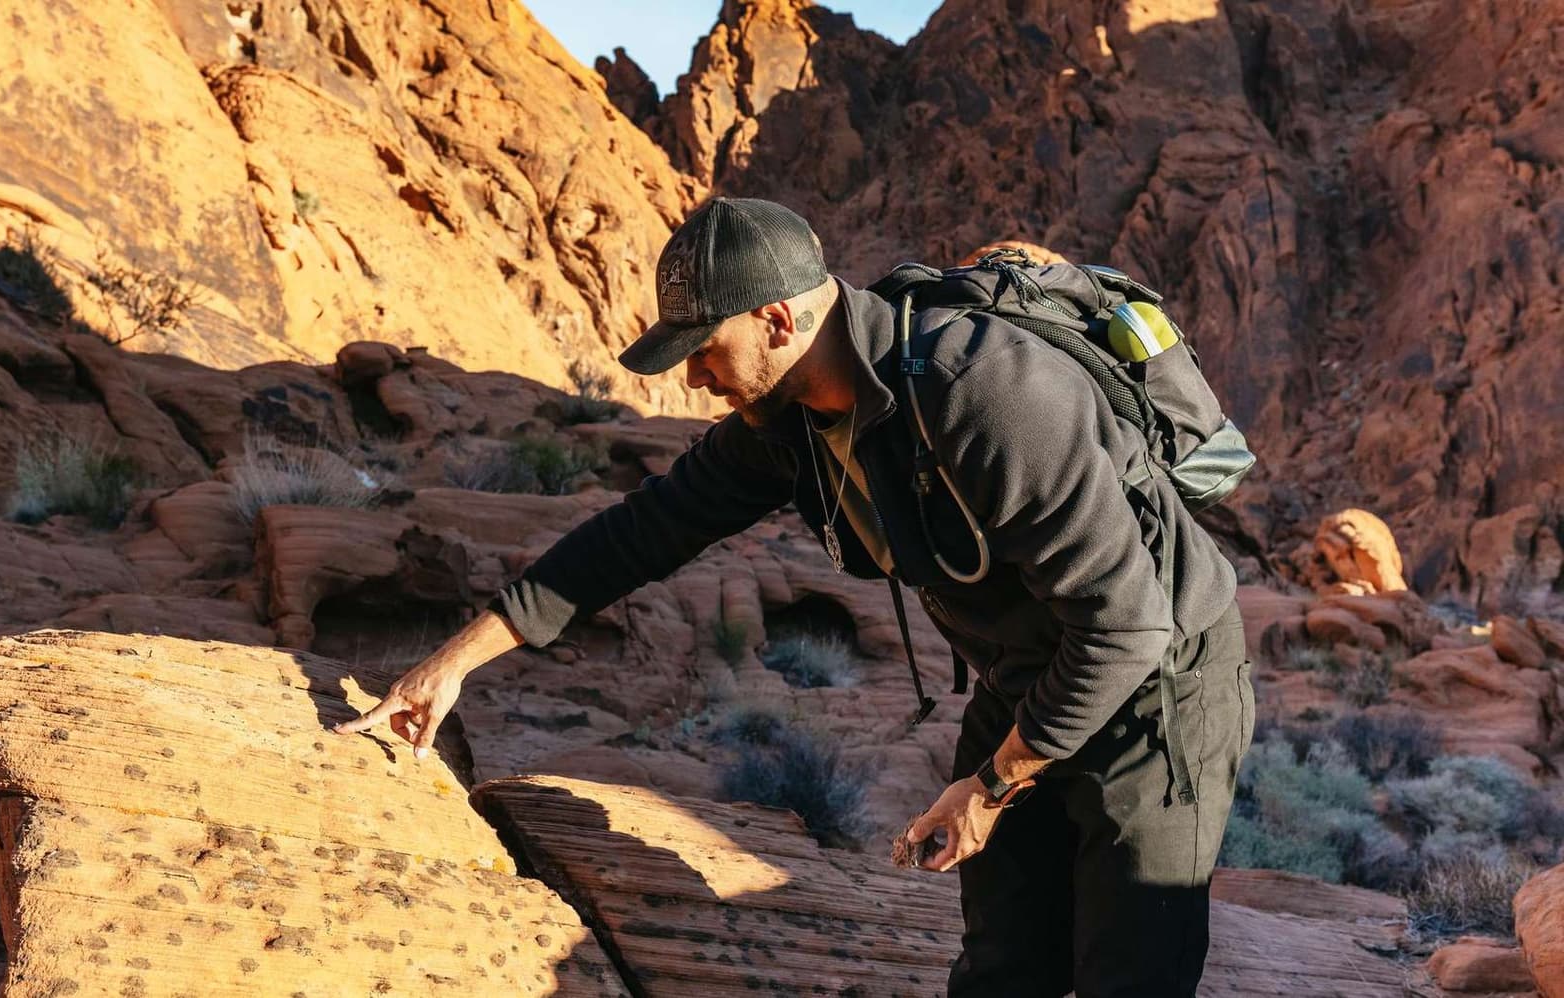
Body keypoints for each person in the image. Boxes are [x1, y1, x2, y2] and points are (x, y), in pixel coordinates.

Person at [332, 196, 1254, 997]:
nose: (693, 377)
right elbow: (640, 535)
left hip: (1159, 688)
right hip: (1030, 675)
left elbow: (1125, 625)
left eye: (704, 350)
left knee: (1130, 976)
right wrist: (450, 666)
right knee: (1002, 971)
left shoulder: (986, 394)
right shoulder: (790, 421)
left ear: (778, 320)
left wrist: (990, 785)